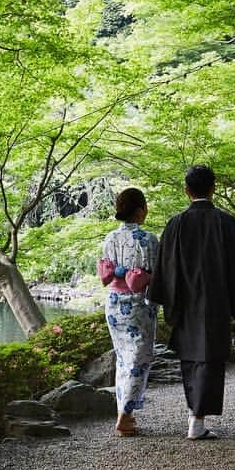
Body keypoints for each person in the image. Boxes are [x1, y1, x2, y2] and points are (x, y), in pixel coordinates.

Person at [148, 165, 235, 440]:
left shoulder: (176, 224)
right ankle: (197, 419)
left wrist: (168, 298)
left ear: (187, 191)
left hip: (185, 301)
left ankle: (195, 416)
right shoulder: (227, 222)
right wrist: (233, 292)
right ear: (213, 188)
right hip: (217, 299)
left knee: (191, 358)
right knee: (211, 358)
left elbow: (165, 265)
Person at [98, 187, 159, 437]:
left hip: (113, 303)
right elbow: (157, 274)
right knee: (138, 360)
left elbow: (106, 270)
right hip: (137, 303)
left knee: (123, 359)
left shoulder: (109, 238)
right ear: (139, 211)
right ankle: (124, 415)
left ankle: (127, 414)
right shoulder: (148, 239)